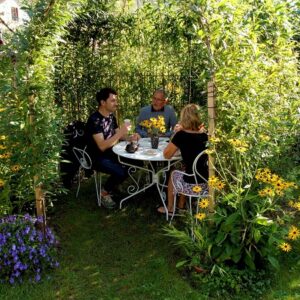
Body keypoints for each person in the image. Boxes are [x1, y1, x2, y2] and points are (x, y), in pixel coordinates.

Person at [157, 104, 208, 215]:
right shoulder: (206, 135)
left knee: (173, 172)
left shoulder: (181, 135)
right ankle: (181, 205)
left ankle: (170, 208)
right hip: (207, 182)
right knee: (186, 168)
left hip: (190, 183)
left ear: (184, 118)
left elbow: (167, 155)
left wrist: (176, 133)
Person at [85, 87, 131, 209]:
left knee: (136, 163)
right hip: (96, 157)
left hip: (111, 153)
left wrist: (131, 138)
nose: (116, 103)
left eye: (116, 100)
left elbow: (119, 136)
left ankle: (113, 185)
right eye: (113, 101)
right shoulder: (95, 120)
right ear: (103, 102)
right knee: (120, 171)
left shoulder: (111, 117)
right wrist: (121, 133)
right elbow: (102, 146)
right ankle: (104, 192)